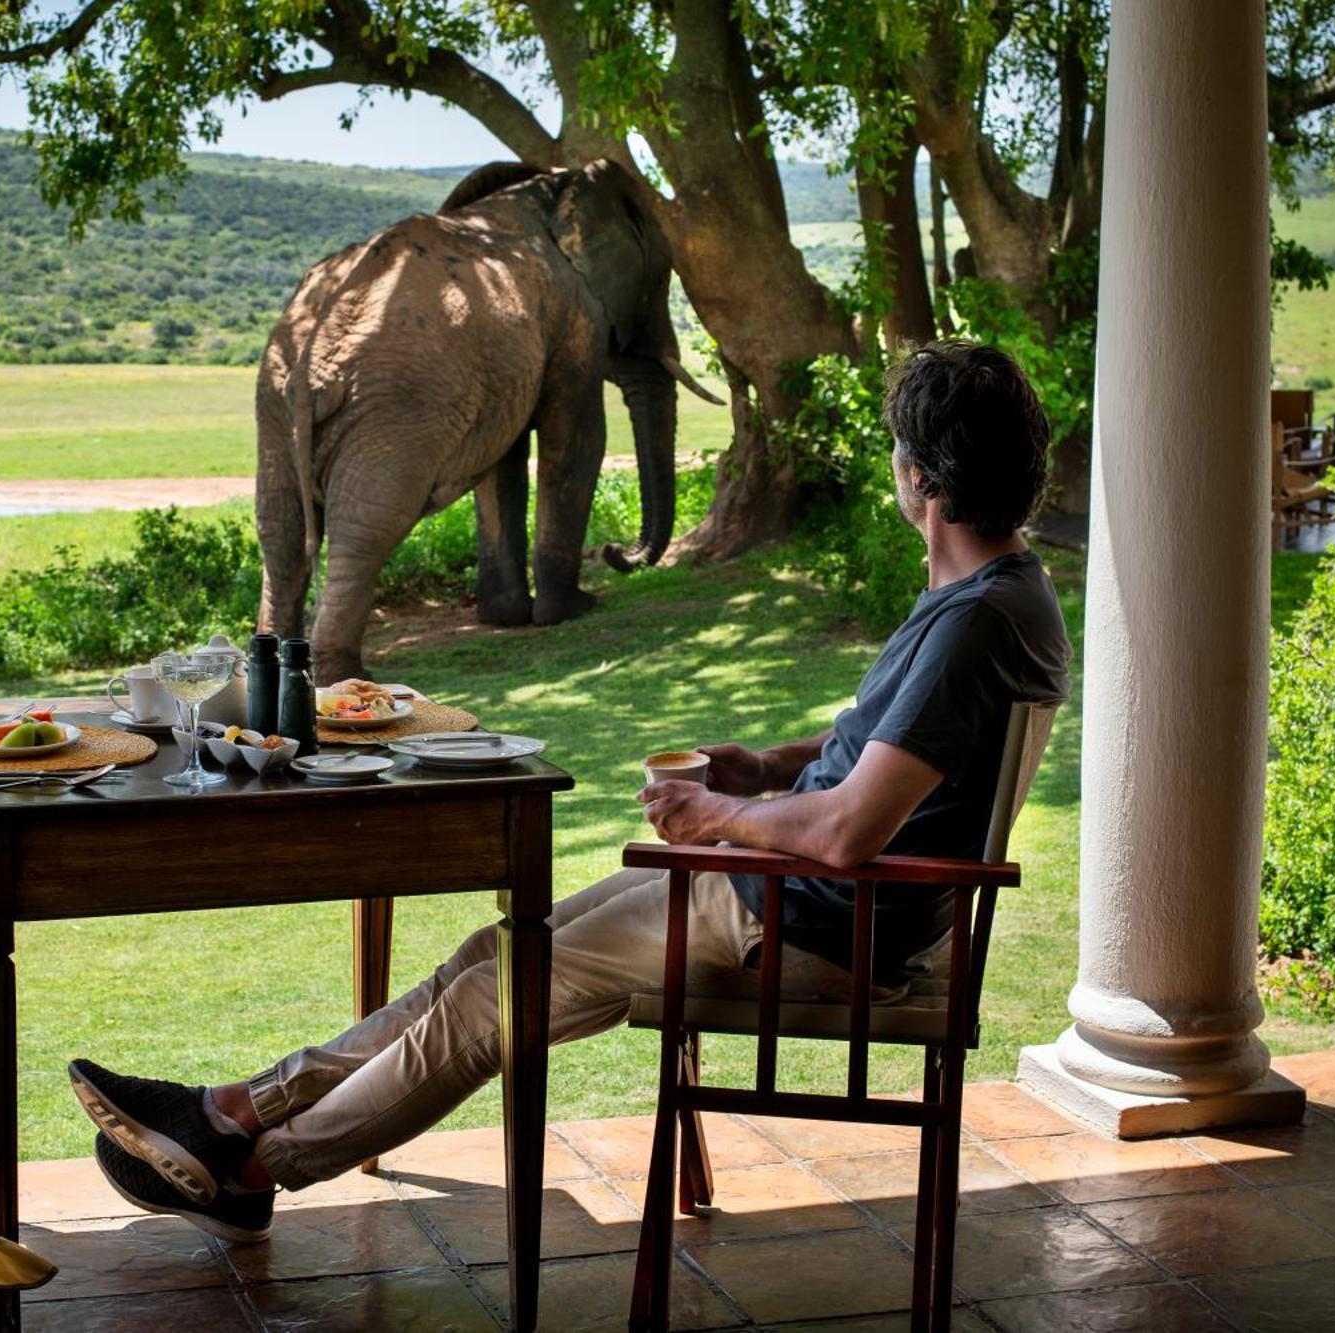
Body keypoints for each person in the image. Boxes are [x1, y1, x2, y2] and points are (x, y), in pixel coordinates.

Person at [69, 339, 1072, 1242]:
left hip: (802, 925)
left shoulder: (974, 623)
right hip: (777, 891)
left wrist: (712, 815)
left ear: (920, 478)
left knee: (491, 1000)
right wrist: (763, 768)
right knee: (488, 957)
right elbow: (890, 745)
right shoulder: (988, 596)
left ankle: (248, 1168)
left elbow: (852, 828)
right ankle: (234, 1109)